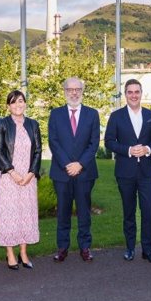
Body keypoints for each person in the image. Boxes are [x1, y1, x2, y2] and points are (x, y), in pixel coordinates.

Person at [104, 79, 151, 263]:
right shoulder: (116, 116)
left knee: (148, 211)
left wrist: (147, 149)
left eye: (137, 92)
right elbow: (109, 142)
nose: (134, 95)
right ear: (125, 94)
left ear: (141, 93)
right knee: (129, 212)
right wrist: (128, 150)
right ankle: (129, 248)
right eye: (130, 92)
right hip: (125, 172)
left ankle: (148, 250)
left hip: (146, 173)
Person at [48, 77, 100, 262]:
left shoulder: (92, 114)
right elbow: (53, 141)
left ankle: (85, 247)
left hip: (85, 172)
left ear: (83, 91)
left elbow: (94, 143)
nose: (74, 92)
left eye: (78, 89)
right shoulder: (55, 114)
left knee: (84, 211)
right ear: (64, 91)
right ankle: (62, 247)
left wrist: (80, 164)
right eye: (70, 89)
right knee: (63, 211)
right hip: (61, 173)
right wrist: (67, 164)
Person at [0, 90, 42, 270]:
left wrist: (30, 173)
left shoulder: (33, 124)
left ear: (25, 103)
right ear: (8, 106)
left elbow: (37, 151)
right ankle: (10, 253)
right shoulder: (2, 124)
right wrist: (12, 173)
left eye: (20, 101)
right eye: (13, 102)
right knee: (8, 215)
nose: (18, 105)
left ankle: (23, 252)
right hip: (8, 177)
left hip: (28, 178)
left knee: (25, 214)